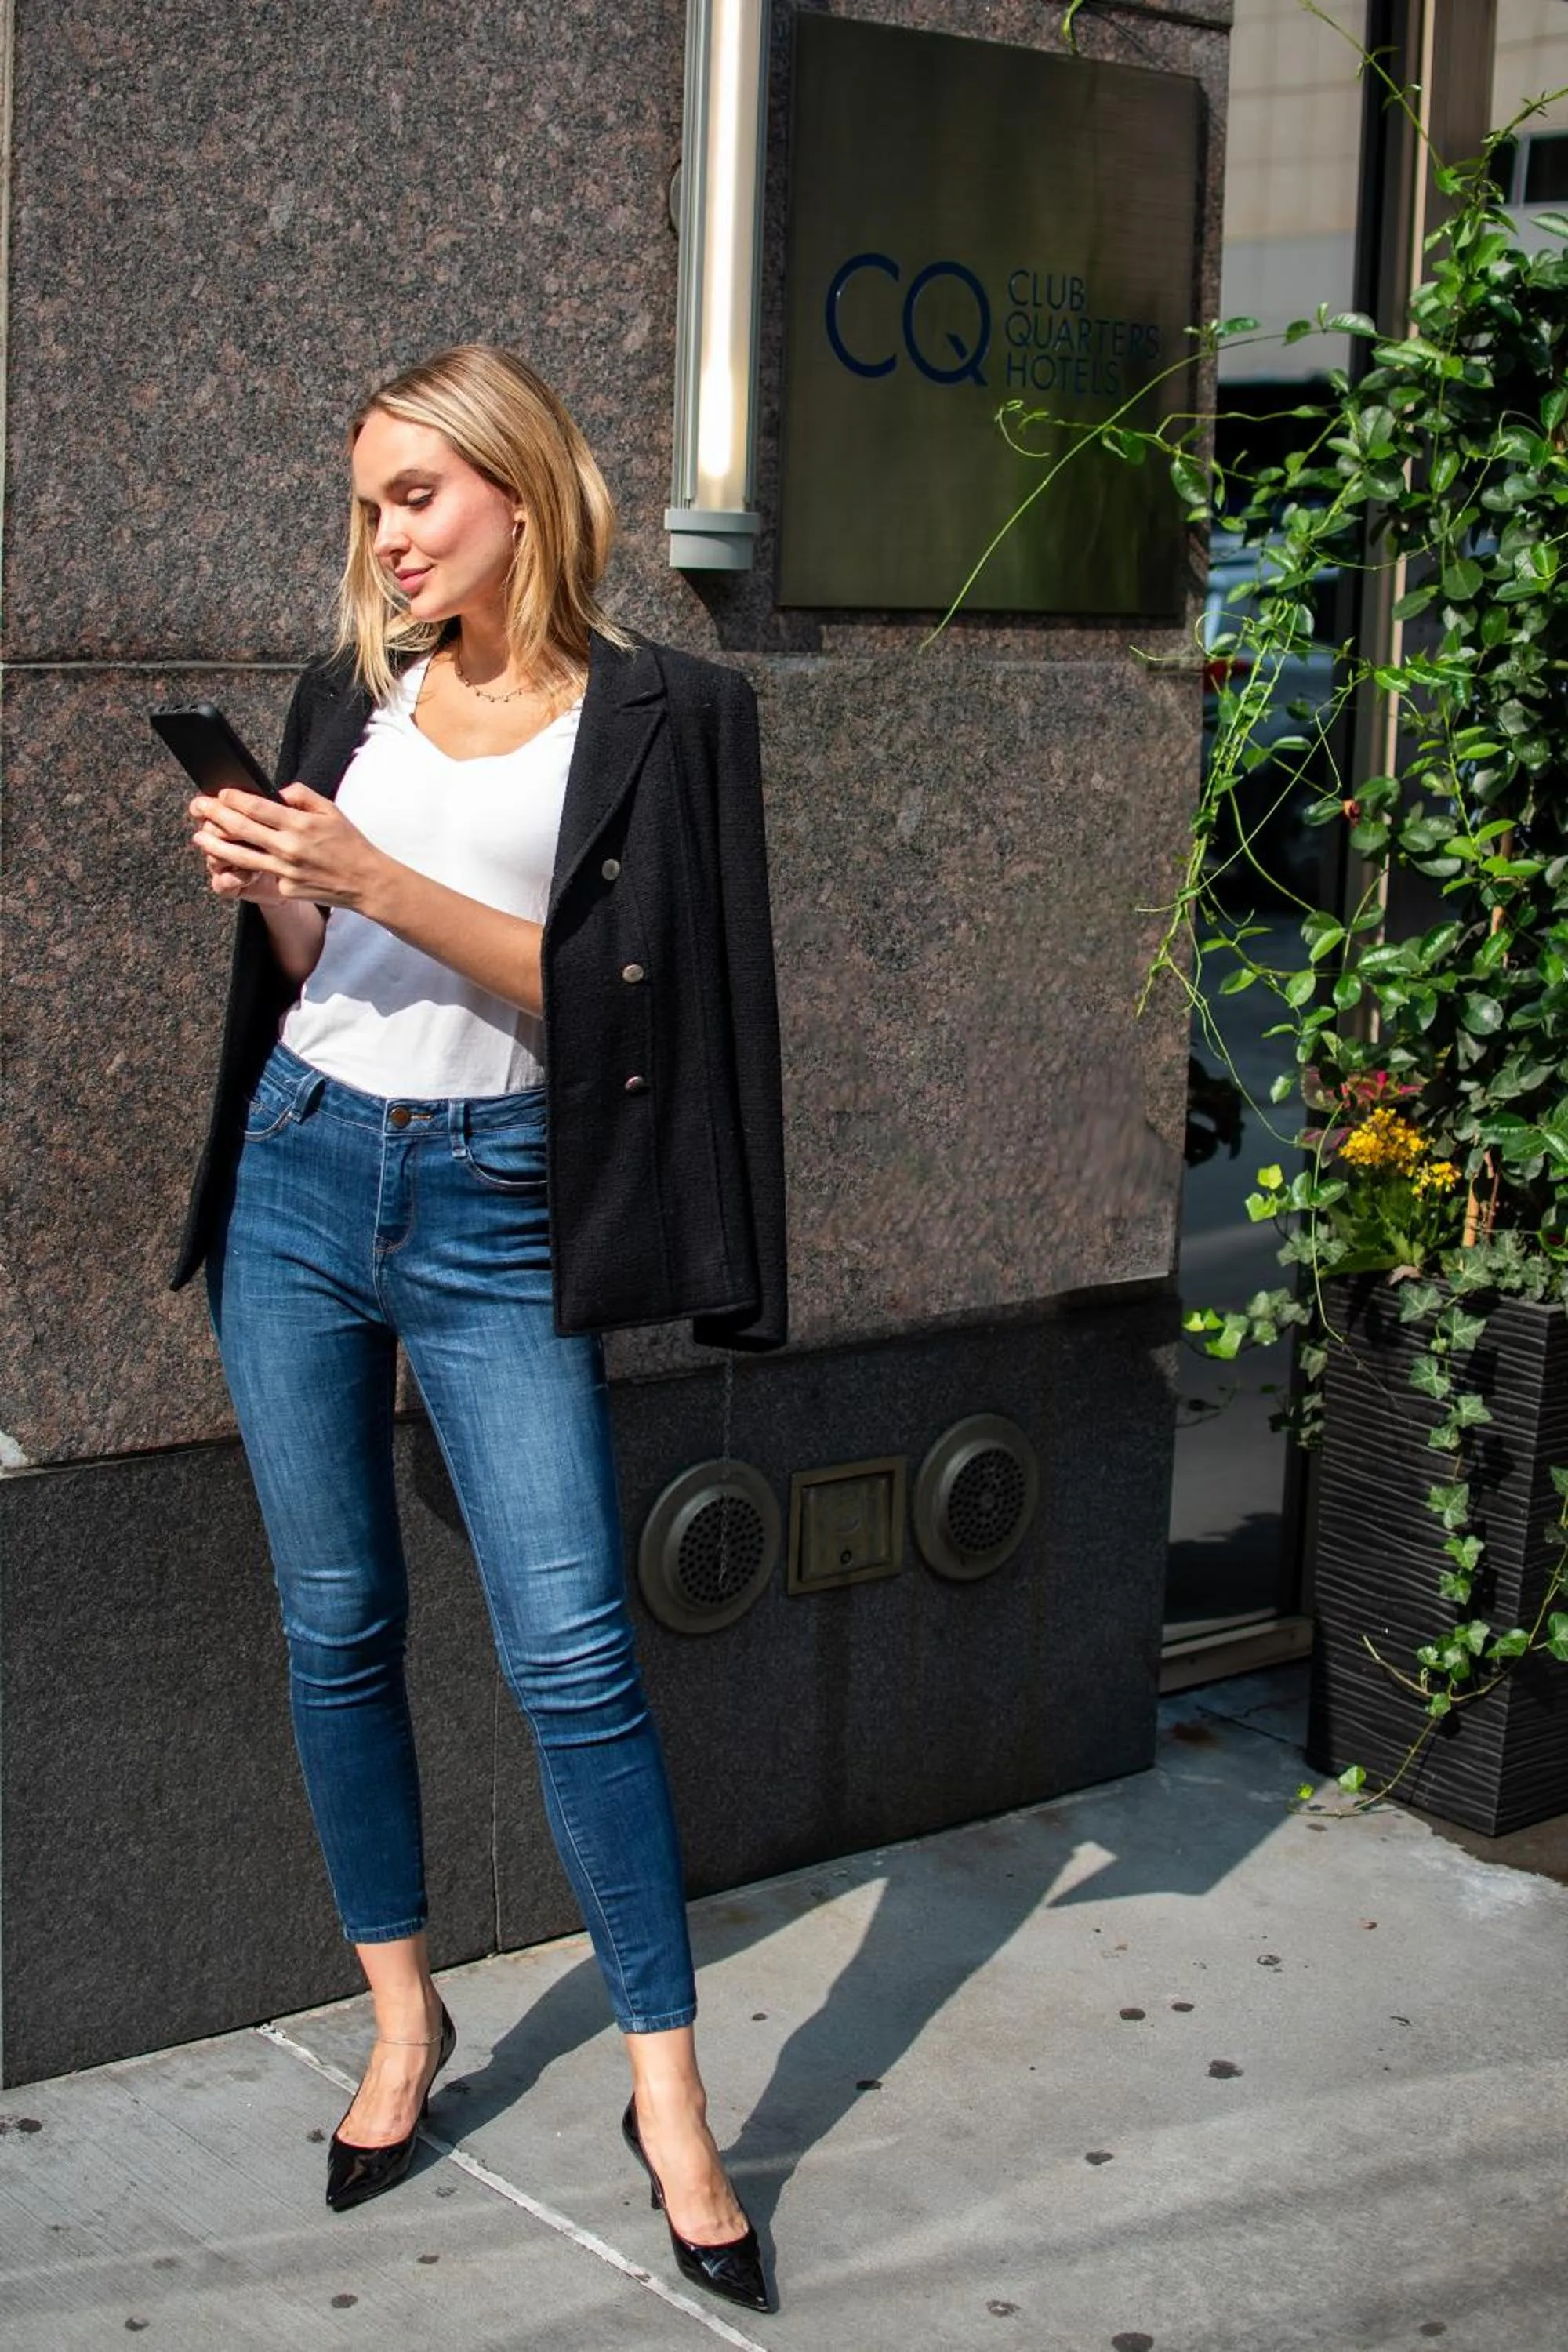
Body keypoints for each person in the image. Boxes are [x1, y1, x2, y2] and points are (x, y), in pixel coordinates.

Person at [175, 343, 786, 2315]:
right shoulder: (353, 695)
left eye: (413, 496)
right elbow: (316, 971)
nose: (386, 538)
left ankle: (669, 2100)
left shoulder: (661, 718)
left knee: (576, 1649)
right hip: (301, 1173)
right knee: (337, 1619)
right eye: (366, 505)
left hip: (505, 1203)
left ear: (520, 487)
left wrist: (372, 869)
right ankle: (402, 2019)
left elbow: (631, 1005)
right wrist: (280, 885)